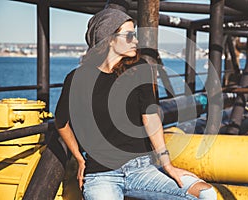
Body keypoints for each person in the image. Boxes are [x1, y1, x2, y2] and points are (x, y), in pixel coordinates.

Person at [55, 5, 217, 200]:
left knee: (205, 194)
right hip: (101, 175)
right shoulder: (76, 79)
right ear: (109, 40)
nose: (137, 41)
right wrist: (80, 159)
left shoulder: (140, 70)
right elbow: (61, 121)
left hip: (142, 169)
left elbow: (151, 118)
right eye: (130, 35)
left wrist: (168, 166)